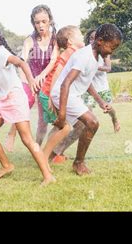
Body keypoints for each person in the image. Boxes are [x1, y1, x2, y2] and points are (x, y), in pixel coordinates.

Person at [0, 22, 55, 186]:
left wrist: (31, 80)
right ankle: (7, 165)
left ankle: (48, 176)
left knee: (27, 140)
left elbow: (22, 63)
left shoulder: (3, 54)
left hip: (16, 98)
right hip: (3, 100)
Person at [50, 24, 122, 175]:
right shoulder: (84, 55)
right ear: (100, 41)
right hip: (63, 93)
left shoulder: (95, 57)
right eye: (112, 47)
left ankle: (47, 155)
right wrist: (62, 114)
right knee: (92, 123)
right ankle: (78, 163)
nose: (111, 52)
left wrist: (100, 101)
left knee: (82, 127)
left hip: (71, 95)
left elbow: (87, 81)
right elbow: (66, 83)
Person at [4, 4, 59, 151]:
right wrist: (30, 81)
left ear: (50, 21)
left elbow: (53, 61)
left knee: (42, 121)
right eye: (37, 22)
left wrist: (41, 76)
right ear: (33, 23)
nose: (41, 25)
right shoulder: (30, 40)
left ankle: (38, 148)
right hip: (27, 78)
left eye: (44, 21)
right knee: (27, 100)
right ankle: (12, 133)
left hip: (46, 80)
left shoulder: (55, 40)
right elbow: (22, 61)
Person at [36, 26, 86, 164]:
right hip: (49, 94)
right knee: (64, 126)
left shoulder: (75, 53)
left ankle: (50, 153)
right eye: (80, 34)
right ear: (70, 41)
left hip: (50, 93)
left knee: (60, 126)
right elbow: (57, 73)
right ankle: (45, 156)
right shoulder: (70, 52)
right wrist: (52, 97)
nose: (83, 37)